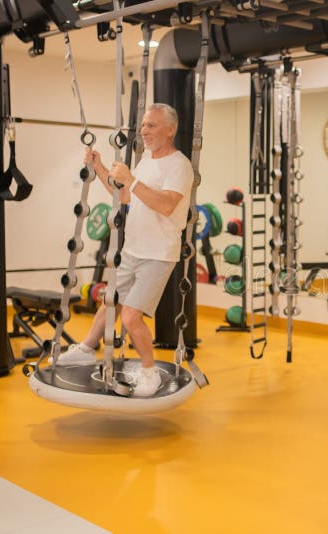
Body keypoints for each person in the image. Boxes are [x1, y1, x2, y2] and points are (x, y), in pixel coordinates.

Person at [57, 103, 194, 397]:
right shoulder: (146, 160)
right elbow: (126, 197)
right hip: (133, 248)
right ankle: (85, 348)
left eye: (152, 126)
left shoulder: (179, 165)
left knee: (131, 317)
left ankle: (149, 371)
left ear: (170, 130)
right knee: (111, 301)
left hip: (158, 254)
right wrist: (100, 167)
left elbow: (167, 205)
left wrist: (132, 179)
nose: (144, 131)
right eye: (144, 125)